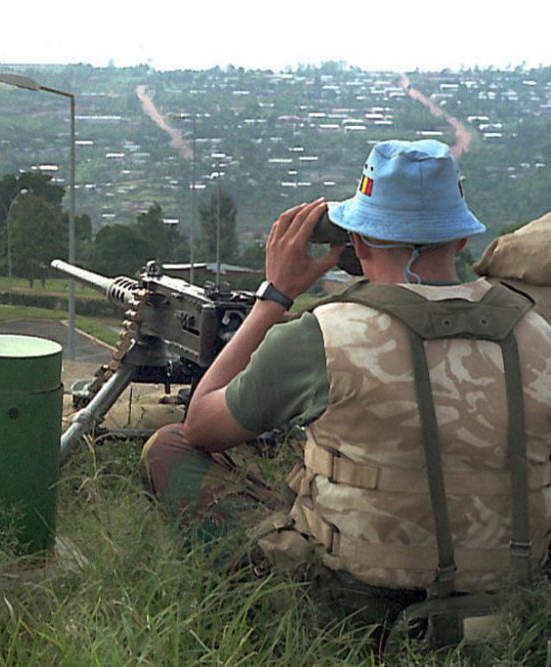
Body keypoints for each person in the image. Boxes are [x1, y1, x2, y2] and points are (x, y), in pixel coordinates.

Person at [141, 139, 551, 644]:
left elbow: (199, 426)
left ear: (357, 244)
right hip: (509, 604)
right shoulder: (539, 335)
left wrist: (274, 298)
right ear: (460, 241)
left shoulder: (324, 334)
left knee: (168, 449)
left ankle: (254, 621)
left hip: (347, 611)